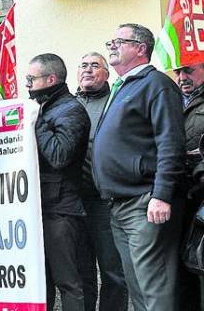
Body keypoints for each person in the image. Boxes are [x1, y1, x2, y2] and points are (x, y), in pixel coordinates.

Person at [93, 23, 185, 311]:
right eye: (112, 40)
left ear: (140, 48)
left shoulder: (155, 84)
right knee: (137, 287)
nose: (112, 46)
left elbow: (170, 142)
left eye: (119, 41)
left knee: (154, 286)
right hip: (119, 204)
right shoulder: (123, 87)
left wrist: (161, 194)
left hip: (145, 201)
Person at [26, 53, 90, 311]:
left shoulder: (70, 110)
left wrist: (35, 120)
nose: (27, 84)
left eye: (31, 79)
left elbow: (59, 155)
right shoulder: (48, 107)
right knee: (43, 282)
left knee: (68, 282)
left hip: (62, 210)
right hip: (43, 208)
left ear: (50, 78)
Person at [74, 53, 128, 311]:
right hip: (74, 202)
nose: (88, 70)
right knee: (81, 272)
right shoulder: (70, 104)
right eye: (83, 65)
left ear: (107, 74)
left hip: (104, 202)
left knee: (113, 272)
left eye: (95, 65)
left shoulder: (116, 101)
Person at [174, 62, 204, 311]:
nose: (182, 77)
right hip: (180, 197)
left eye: (189, 70)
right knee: (183, 270)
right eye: (178, 72)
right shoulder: (171, 100)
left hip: (201, 197)